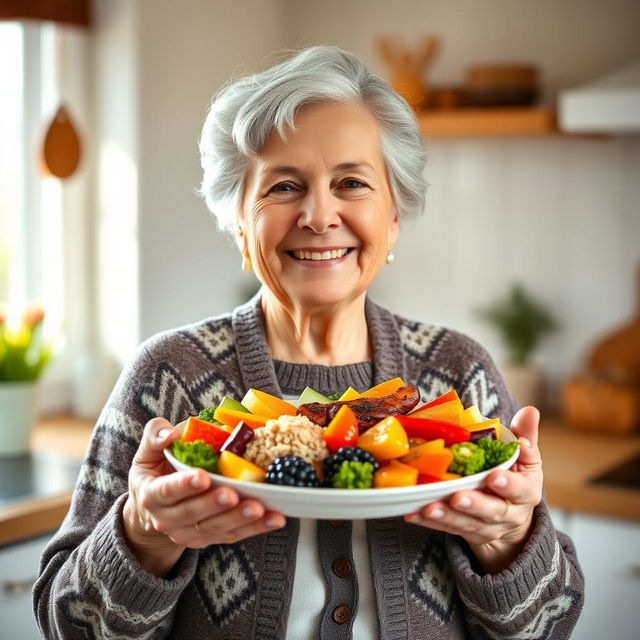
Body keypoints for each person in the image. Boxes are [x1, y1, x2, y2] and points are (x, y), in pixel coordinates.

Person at [34, 45, 583, 639]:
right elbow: (69, 626)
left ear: (393, 216)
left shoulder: (457, 372)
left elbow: (547, 628)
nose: (319, 215)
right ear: (240, 223)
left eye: (351, 182)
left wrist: (509, 541)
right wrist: (141, 532)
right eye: (283, 187)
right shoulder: (171, 373)